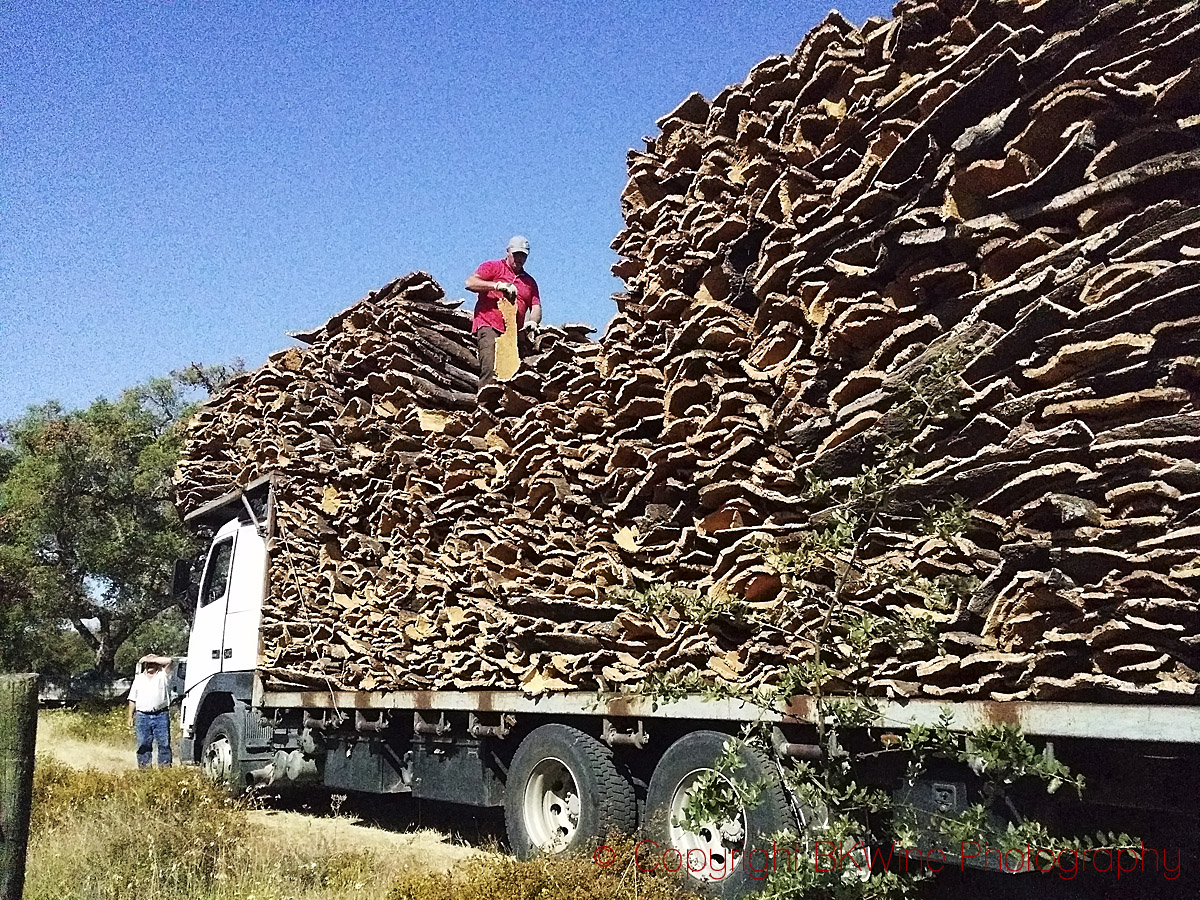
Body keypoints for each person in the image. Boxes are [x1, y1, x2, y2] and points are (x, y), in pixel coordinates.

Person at [465, 235, 542, 388]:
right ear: (508, 252)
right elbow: (470, 283)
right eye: (516, 255)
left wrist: (533, 321)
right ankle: (485, 407)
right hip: (489, 325)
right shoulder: (493, 267)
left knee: (518, 372)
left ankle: (509, 407)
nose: (519, 259)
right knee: (490, 367)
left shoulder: (529, 282)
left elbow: (536, 306)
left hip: (514, 334)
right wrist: (497, 286)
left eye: (523, 256)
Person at [127, 654, 175, 768]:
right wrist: (130, 716)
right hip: (142, 716)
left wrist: (151, 658)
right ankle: (145, 771)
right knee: (143, 744)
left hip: (161, 715)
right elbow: (132, 699)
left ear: (158, 664)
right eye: (148, 663)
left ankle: (165, 771)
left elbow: (170, 661)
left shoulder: (164, 675)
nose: (150, 665)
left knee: (164, 744)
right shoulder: (139, 679)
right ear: (144, 665)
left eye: (153, 663)